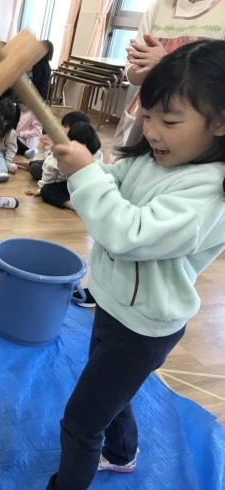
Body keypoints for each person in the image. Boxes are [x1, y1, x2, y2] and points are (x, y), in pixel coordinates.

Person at [46, 40, 225, 490]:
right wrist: (86, 168)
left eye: (169, 121)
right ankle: (122, 454)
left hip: (144, 328)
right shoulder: (156, 159)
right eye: (147, 116)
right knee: (113, 397)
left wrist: (85, 175)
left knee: (81, 422)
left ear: (220, 123)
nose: (153, 131)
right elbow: (115, 181)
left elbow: (128, 233)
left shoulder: (205, 195)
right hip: (113, 302)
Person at [109, 0, 225, 162]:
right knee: (139, 164)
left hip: (199, 127)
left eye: (170, 122)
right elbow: (133, 74)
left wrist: (166, 64)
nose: (151, 134)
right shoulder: (158, 7)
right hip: (149, 108)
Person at [27, 122, 102, 210]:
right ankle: (72, 204)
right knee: (46, 190)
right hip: (71, 187)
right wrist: (41, 189)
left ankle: (88, 202)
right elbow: (49, 170)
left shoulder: (97, 155)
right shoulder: (62, 156)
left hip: (89, 188)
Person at [29, 111, 90, 181]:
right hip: (58, 169)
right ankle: (23, 164)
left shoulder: (72, 146)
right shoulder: (71, 141)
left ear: (75, 128)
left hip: (61, 178)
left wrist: (47, 151)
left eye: (65, 127)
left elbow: (53, 162)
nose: (62, 129)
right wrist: (49, 147)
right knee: (36, 163)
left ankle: (25, 165)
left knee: (34, 168)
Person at [0, 100, 21, 183]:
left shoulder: (10, 133)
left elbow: (11, 149)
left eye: (4, 120)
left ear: (8, 121)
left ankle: (1, 171)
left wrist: (8, 161)